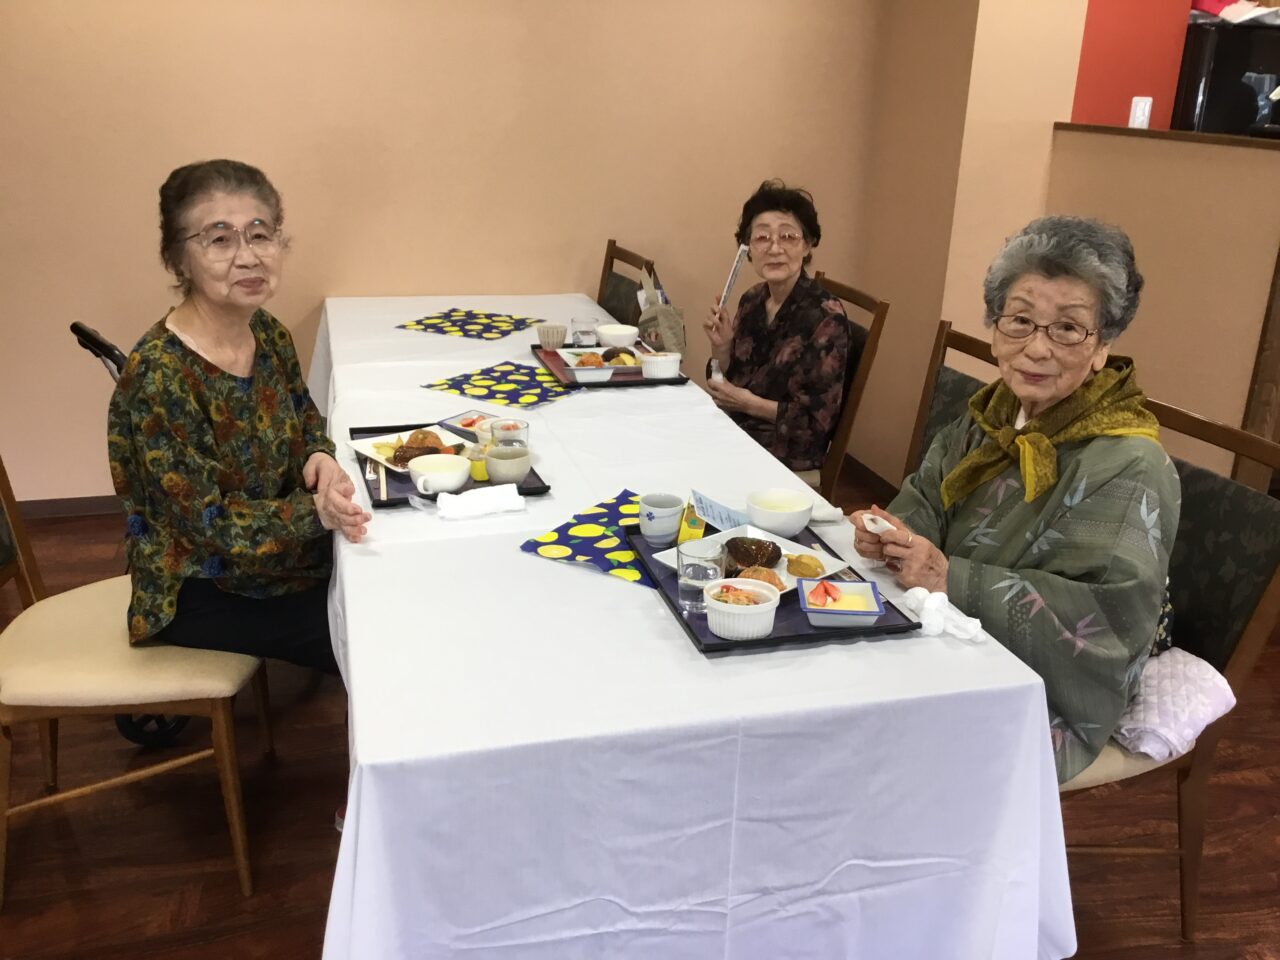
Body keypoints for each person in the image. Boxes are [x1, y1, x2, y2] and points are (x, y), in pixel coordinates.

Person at [850, 216, 1180, 783]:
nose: (1037, 348)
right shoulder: (996, 412)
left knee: (874, 748)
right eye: (1021, 320)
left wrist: (948, 577)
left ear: (1103, 346)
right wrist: (895, 537)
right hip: (943, 628)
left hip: (1036, 686)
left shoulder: (1132, 465)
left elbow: (1106, 618)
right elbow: (926, 494)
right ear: (995, 328)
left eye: (1068, 328)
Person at [107, 159, 369, 674]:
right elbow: (209, 525)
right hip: (204, 587)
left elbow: (303, 416)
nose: (248, 256)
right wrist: (315, 514)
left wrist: (317, 453)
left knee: (398, 574)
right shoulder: (161, 375)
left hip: (280, 558)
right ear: (179, 260)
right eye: (220, 239)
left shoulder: (266, 332)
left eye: (260, 234)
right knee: (373, 630)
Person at [703, 180, 854, 473]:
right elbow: (729, 386)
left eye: (788, 236)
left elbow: (815, 423)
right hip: (738, 431)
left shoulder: (826, 319)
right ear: (748, 249)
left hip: (785, 451)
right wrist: (721, 348)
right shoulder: (752, 300)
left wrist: (750, 405)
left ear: (807, 245)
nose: (774, 248)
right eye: (762, 237)